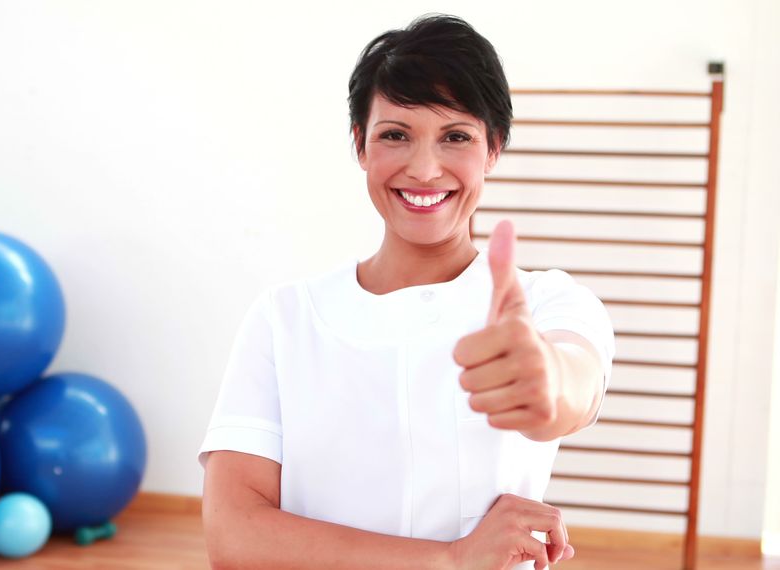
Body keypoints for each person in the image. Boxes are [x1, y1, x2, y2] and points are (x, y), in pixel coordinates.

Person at [199, 14, 615, 570]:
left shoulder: (550, 303)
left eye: (456, 137)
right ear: (360, 145)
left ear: (493, 149)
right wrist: (450, 559)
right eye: (395, 134)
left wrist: (546, 381)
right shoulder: (284, 318)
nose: (424, 169)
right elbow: (234, 537)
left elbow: (573, 382)